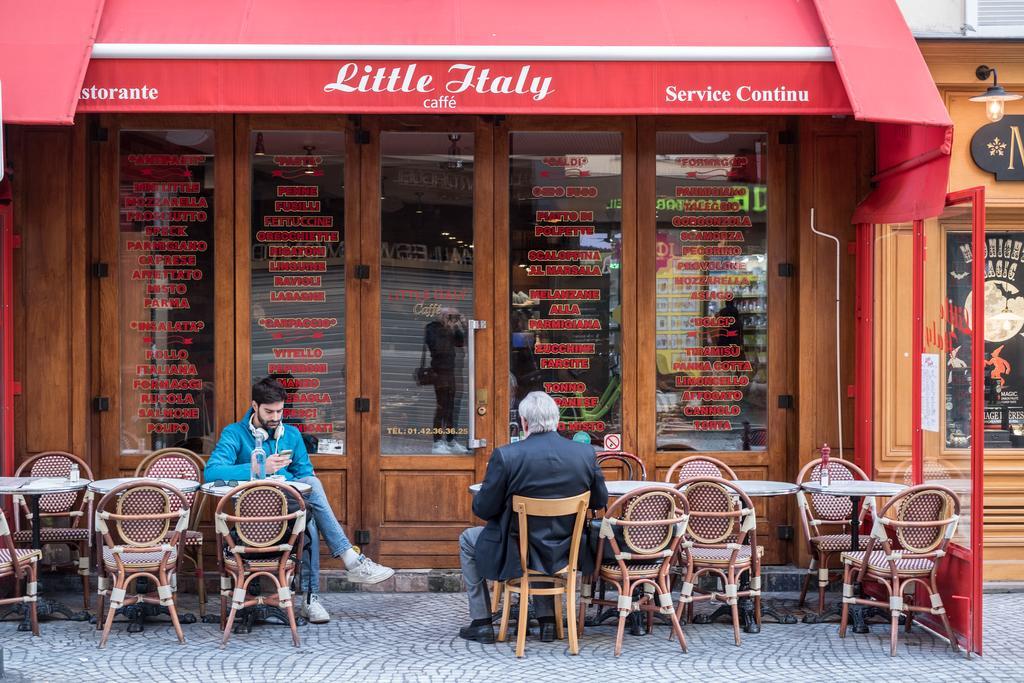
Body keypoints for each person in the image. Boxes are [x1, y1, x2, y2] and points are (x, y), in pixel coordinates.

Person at [205, 377, 394, 624]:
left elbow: (306, 472)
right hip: (248, 517)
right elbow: (212, 472)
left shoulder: (291, 435)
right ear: (254, 406)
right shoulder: (235, 433)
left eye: (280, 411)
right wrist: (254, 465)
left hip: (286, 510)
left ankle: (313, 596)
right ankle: (343, 566)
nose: (275, 417)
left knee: (310, 507)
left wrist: (288, 477)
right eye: (269, 411)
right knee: (310, 519)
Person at [457, 391, 608, 644]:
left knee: (467, 539)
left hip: (517, 548)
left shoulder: (506, 455)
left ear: (524, 422)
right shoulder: (585, 454)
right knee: (542, 538)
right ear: (557, 420)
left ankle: (482, 622)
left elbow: (483, 510)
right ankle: (547, 620)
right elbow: (599, 501)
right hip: (567, 548)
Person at [424, 307, 467, 454]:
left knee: (451, 407)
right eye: (450, 317)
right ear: (441, 316)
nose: (452, 320)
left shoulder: (452, 329)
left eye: (455, 317)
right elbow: (437, 348)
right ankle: (437, 442)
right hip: (439, 373)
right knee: (442, 407)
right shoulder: (432, 328)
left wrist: (461, 326)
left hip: (452, 372)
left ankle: (450, 440)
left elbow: (461, 343)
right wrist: (447, 330)